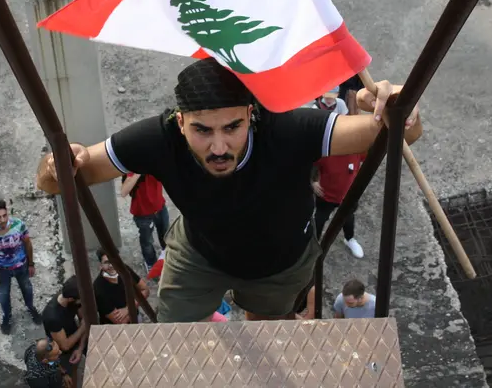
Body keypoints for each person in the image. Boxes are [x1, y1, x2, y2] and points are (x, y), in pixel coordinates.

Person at [36, 58, 421, 323]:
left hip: (280, 263)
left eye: (231, 127)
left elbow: (401, 133)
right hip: (200, 254)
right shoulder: (158, 137)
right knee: (175, 341)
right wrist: (59, 162)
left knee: (266, 335)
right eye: (202, 130)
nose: (218, 147)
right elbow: (55, 180)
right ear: (180, 120)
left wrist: (398, 108)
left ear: (252, 115)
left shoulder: (287, 129)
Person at [311, 89, 365, 257]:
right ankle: (314, 246)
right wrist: (313, 182)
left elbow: (372, 153)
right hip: (326, 196)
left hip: (347, 196)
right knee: (319, 220)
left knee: (348, 219)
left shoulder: (357, 150)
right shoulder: (326, 152)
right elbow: (310, 163)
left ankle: (350, 239)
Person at [0, 199, 41, 335]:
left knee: (27, 288)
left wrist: (31, 264)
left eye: (4, 215)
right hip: (2, 270)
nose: (2, 220)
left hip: (21, 266)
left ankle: (31, 308)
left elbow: (28, 244)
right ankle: (7, 317)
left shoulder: (18, 225)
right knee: (3, 295)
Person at [120, 173, 170, 272]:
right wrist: (139, 171)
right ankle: (151, 262)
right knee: (147, 241)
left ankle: (167, 256)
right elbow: (123, 192)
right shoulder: (134, 168)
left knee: (166, 235)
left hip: (160, 207)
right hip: (143, 214)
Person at [41, 276, 87, 378]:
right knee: (68, 377)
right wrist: (83, 327)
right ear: (71, 299)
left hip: (74, 334)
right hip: (61, 351)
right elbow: (65, 346)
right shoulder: (53, 317)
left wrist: (80, 348)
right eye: (81, 299)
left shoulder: (74, 300)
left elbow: (84, 318)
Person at [93, 249, 150, 324]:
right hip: (114, 329)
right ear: (100, 265)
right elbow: (120, 321)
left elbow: (145, 290)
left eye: (113, 261)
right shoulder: (98, 287)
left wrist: (128, 309)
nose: (111, 265)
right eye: (107, 262)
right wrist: (135, 306)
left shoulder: (125, 269)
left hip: (135, 317)